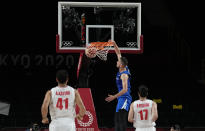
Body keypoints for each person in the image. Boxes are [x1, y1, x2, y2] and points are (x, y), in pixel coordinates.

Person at [105, 40, 132, 131]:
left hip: (125, 98)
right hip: (121, 98)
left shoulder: (124, 75)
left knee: (121, 120)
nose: (116, 62)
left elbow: (125, 90)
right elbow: (118, 53)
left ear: (121, 64)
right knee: (116, 120)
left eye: (118, 62)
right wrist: (114, 44)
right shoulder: (123, 67)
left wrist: (113, 97)